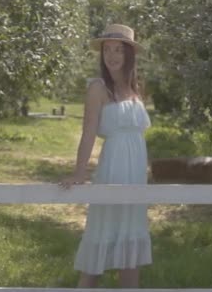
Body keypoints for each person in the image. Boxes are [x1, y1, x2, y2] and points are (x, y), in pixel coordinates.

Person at [59, 24, 152, 288]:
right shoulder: (98, 88)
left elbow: (138, 136)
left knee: (131, 245)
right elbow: (88, 133)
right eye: (107, 50)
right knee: (101, 242)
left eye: (118, 50)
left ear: (129, 55)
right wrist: (80, 173)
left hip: (135, 175)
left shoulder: (136, 89)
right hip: (114, 167)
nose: (112, 56)